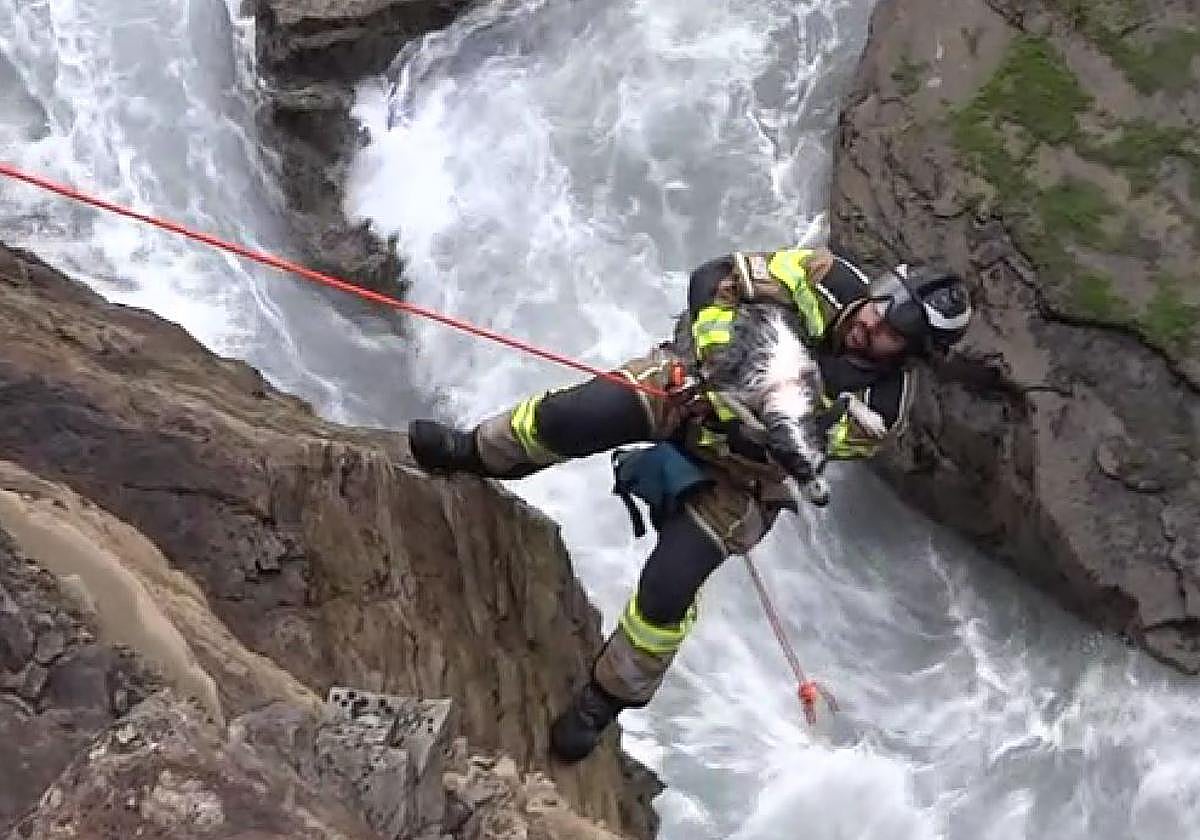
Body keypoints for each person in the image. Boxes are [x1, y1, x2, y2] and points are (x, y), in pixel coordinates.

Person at [407, 246, 972, 762]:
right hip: (690, 383)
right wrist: (713, 347)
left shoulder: (880, 409)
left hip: (743, 477)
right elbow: (715, 277)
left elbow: (793, 449)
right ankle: (473, 452)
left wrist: (750, 417)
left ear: (912, 354)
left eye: (891, 333)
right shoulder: (823, 274)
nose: (871, 325)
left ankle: (606, 698)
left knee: (669, 587)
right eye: (880, 307)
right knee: (569, 418)